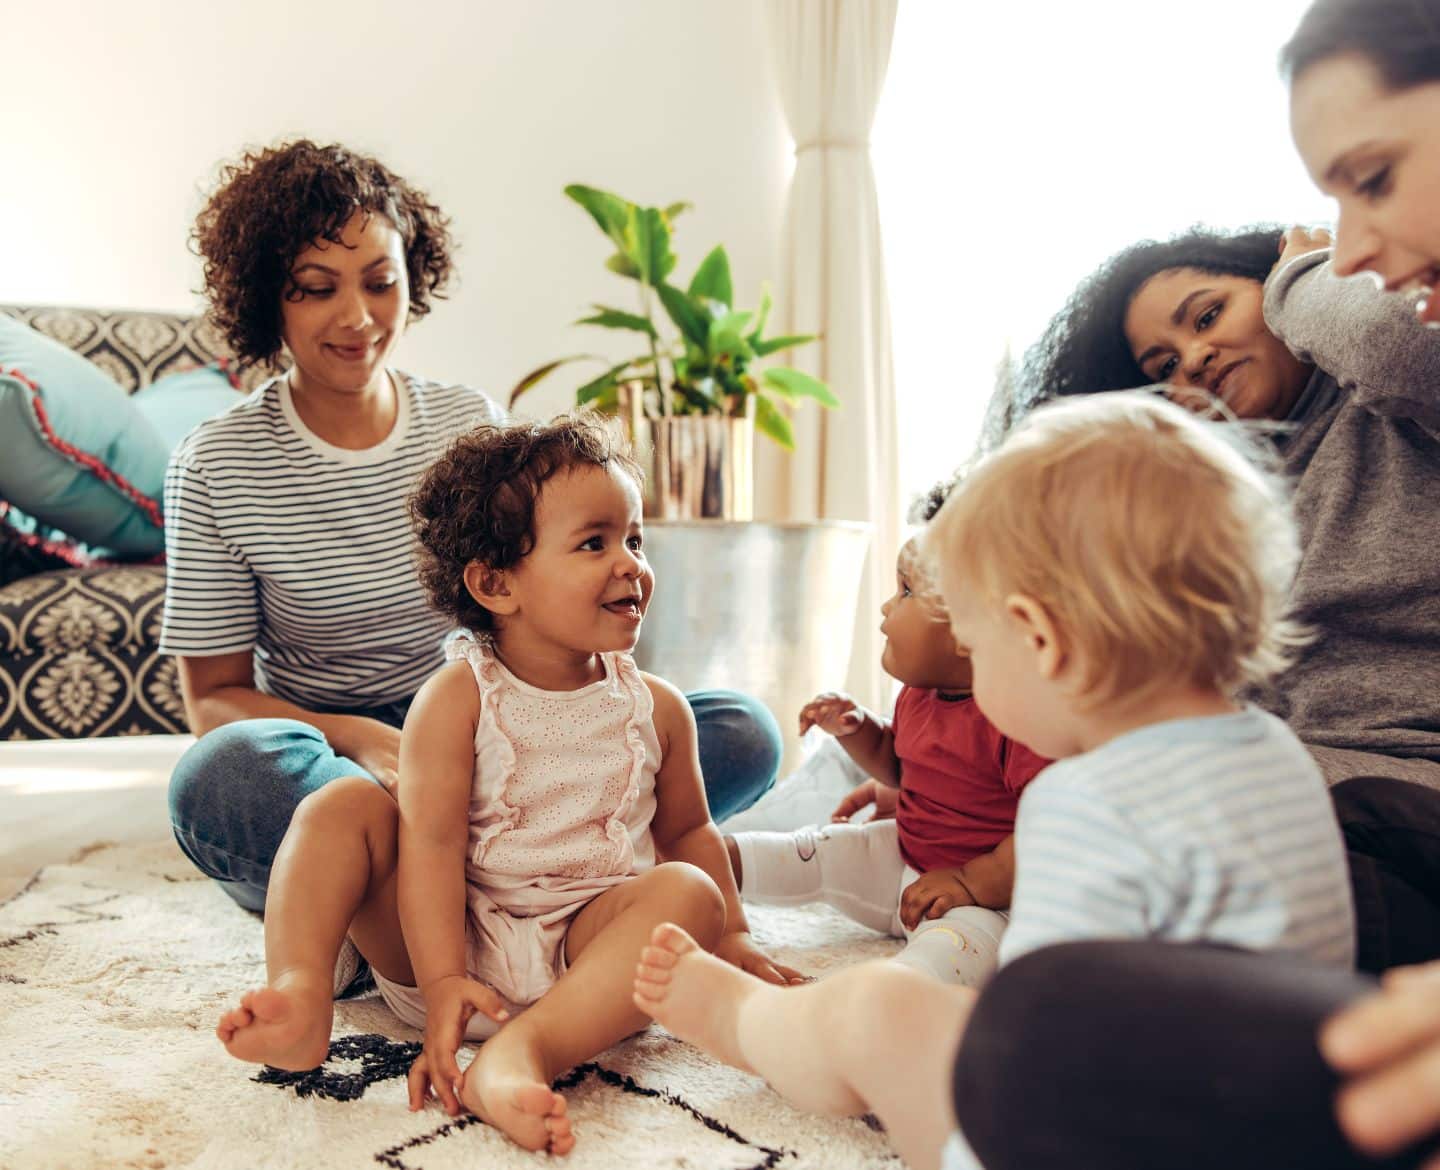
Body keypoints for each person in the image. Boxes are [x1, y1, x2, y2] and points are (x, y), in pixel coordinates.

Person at [632, 391, 1357, 1170]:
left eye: (977, 645)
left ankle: (748, 1021)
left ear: (1040, 641)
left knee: (876, 1006)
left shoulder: (1082, 802)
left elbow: (1032, 1047)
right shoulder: (1280, 753)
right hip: (1271, 1123)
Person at [159, 141, 783, 961]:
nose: (357, 318)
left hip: (505, 741)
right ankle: (412, 889)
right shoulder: (215, 465)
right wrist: (363, 738)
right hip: (341, 759)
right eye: (316, 289)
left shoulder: (466, 420)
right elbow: (214, 698)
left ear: (413, 276)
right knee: (228, 775)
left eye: (381, 283)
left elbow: (547, 599)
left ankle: (410, 906)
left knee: (737, 730)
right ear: (265, 299)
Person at [215, 416, 802, 1156]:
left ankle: (526, 1051)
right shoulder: (458, 698)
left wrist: (738, 936)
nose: (629, 564)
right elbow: (429, 846)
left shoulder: (658, 707)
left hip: (584, 955)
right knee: (342, 805)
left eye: (634, 538)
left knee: (688, 892)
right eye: (594, 543)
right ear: (496, 585)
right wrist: (442, 983)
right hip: (451, 943)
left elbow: (688, 830)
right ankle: (301, 994)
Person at [724, 495, 1049, 988]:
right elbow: (899, 767)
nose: (885, 605)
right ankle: (704, 862)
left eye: (905, 591)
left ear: (966, 629)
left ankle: (883, 997)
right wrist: (859, 731)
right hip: (901, 854)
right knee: (815, 851)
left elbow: (1048, 829)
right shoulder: (919, 695)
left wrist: (970, 882)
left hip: (982, 899)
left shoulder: (1018, 718)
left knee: (951, 956)